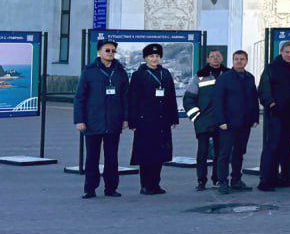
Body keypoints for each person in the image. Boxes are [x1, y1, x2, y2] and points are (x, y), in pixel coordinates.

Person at [74, 39, 129, 199]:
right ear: (99, 52)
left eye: (113, 51)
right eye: (107, 50)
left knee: (112, 157)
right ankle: (89, 189)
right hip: (92, 121)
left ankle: (111, 188)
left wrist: (126, 118)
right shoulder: (89, 71)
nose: (111, 53)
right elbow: (79, 97)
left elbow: (126, 97)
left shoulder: (120, 71)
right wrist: (79, 120)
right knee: (92, 157)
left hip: (113, 122)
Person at [127, 43, 179, 195]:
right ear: (145, 58)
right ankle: (145, 185)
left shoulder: (166, 73)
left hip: (162, 120)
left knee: (160, 153)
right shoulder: (139, 75)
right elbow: (133, 100)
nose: (154, 59)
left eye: (157, 56)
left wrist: (173, 118)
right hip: (145, 121)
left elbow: (171, 97)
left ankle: (156, 183)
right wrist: (133, 121)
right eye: (151, 56)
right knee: (146, 153)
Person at [257, 41, 290, 192]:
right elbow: (264, 89)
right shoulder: (272, 68)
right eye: (287, 52)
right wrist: (271, 104)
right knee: (272, 146)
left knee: (286, 147)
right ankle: (266, 180)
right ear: (281, 52)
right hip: (276, 114)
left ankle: (284, 177)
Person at [212, 49, 258, 194]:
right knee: (224, 153)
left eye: (242, 59)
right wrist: (220, 120)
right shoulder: (224, 78)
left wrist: (255, 118)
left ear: (246, 61)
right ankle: (222, 182)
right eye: (236, 59)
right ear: (232, 61)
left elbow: (253, 99)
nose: (239, 61)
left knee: (239, 152)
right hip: (228, 123)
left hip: (245, 123)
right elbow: (217, 101)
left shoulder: (250, 77)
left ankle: (236, 180)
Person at [183, 49, 225, 190]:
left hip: (223, 122)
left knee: (220, 153)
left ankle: (218, 179)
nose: (215, 59)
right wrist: (196, 117)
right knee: (202, 153)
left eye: (217, 56)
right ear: (207, 59)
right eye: (212, 57)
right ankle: (201, 181)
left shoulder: (228, 74)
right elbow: (188, 99)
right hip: (204, 122)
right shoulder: (199, 77)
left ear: (222, 58)